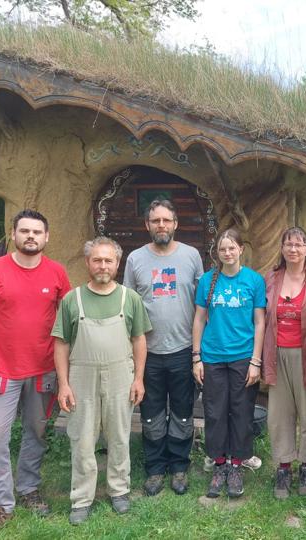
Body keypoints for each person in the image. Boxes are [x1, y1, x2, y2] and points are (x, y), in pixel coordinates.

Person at [0, 209, 71, 538]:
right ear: (13, 234)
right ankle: (0, 505)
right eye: (24, 231)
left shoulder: (57, 273)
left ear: (46, 237)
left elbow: (67, 322)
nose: (31, 236)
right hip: (0, 370)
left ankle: (28, 489)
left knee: (36, 433)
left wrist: (67, 373)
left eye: (37, 232)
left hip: (43, 369)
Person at [53, 237, 151, 524]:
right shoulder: (72, 299)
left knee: (119, 435)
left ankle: (119, 490)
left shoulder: (129, 298)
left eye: (109, 260)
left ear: (117, 264)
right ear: (88, 263)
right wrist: (64, 384)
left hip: (121, 374)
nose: (103, 265)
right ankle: (81, 498)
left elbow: (139, 340)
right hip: (81, 377)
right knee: (82, 439)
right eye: (97, 260)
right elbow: (61, 344)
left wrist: (139, 379)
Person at [124, 199, 204, 496]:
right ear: (147, 225)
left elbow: (201, 305)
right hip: (148, 352)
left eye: (166, 220)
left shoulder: (191, 256)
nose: (161, 225)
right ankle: (155, 468)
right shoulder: (135, 259)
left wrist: (199, 352)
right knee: (152, 414)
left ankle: (179, 466)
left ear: (175, 224)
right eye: (156, 220)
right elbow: (128, 306)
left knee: (183, 412)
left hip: (183, 348)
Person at [192, 229, 266, 498]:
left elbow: (260, 322)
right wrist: (196, 357)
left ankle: (236, 464)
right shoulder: (207, 280)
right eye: (223, 249)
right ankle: (219, 463)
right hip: (212, 356)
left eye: (232, 248)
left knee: (242, 411)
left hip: (243, 357)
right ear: (217, 252)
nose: (227, 253)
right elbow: (199, 319)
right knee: (214, 412)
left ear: (241, 249)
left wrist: (256, 361)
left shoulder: (254, 280)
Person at [262, 227, 306, 499]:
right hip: (277, 352)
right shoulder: (271, 278)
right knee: (279, 414)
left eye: (298, 244)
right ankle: (283, 467)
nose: (293, 249)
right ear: (282, 249)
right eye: (288, 244)